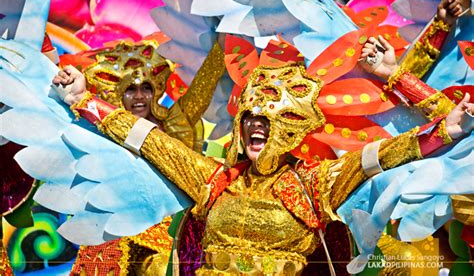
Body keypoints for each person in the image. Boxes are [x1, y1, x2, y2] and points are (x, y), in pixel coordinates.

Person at [53, 38, 473, 275]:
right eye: (250, 117)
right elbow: (149, 141)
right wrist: (84, 100)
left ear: (286, 130)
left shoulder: (314, 183)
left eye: (266, 121)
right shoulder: (216, 179)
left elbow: (377, 157)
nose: (255, 125)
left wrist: (444, 131)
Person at [61, 38, 225, 275]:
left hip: (170, 228)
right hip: (117, 229)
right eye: (131, 89)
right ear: (118, 93)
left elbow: (205, 84)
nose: (139, 96)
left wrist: (223, 41)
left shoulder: (173, 124)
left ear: (155, 91)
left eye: (145, 88)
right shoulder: (105, 132)